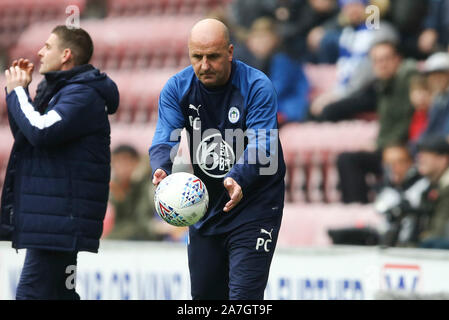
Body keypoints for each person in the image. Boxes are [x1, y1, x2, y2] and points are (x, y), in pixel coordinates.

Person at [149, 19, 285, 300]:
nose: (204, 65)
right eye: (197, 57)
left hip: (253, 205)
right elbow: (165, 138)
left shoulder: (257, 86)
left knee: (243, 299)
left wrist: (238, 177)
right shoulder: (177, 88)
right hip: (205, 206)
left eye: (213, 56)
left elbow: (263, 144)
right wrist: (162, 169)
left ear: (230, 52)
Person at [1, 25, 119, 299]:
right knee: (60, 295)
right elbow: (27, 138)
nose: (40, 52)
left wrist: (17, 93)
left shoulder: (82, 95)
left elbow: (40, 131)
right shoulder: (63, 91)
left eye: (48, 46)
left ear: (66, 54)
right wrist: (22, 93)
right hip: (55, 220)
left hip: (60, 221)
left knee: (32, 294)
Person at [335, 41, 417, 203]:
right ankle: (354, 210)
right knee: (346, 159)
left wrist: (382, 144)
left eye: (387, 59)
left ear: (398, 60)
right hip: (387, 145)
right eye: (378, 61)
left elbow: (406, 122)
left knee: (349, 160)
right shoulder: (382, 87)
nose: (383, 65)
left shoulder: (406, 81)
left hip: (404, 148)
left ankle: (357, 208)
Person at [108, 145, 187, 241]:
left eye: (128, 162)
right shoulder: (112, 187)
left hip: (145, 238)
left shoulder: (145, 184)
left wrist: (159, 227)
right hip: (125, 237)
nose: (124, 168)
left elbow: (142, 220)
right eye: (119, 162)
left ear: (137, 163)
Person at [416, 135, 449, 249]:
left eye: (427, 153)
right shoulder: (430, 186)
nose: (420, 157)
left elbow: (439, 233)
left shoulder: (446, 188)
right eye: (420, 153)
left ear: (443, 159)